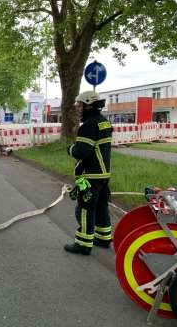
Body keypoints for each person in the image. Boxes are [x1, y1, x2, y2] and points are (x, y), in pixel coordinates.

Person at [65, 91, 113, 256]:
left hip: (90, 176)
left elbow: (81, 152)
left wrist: (70, 149)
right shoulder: (104, 122)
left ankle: (83, 244)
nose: (78, 108)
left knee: (86, 208)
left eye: (80, 104)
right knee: (101, 206)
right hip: (103, 175)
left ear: (88, 105)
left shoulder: (89, 125)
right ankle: (104, 238)